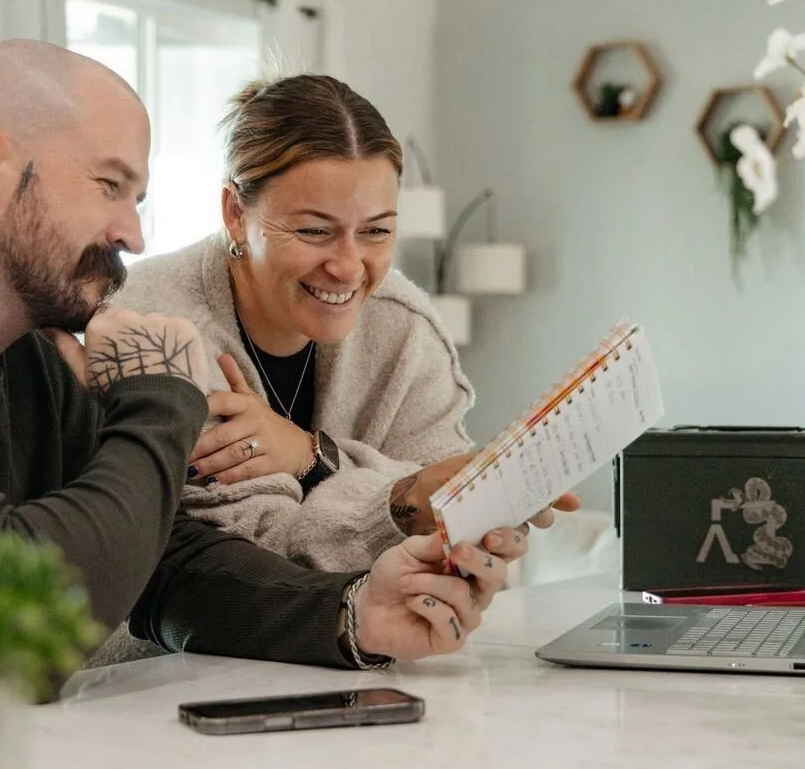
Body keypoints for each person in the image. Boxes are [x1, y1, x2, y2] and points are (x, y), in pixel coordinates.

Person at [0, 40, 548, 743]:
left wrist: (353, 614)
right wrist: (160, 401)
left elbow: (162, 564)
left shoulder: (28, 360)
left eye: (138, 195)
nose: (133, 230)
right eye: (108, 185)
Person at [114, 73, 576, 573]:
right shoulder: (153, 328)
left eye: (376, 231)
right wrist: (404, 499)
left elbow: (454, 548)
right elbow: (251, 562)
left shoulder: (404, 329)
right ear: (234, 213)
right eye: (315, 231)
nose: (349, 266)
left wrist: (313, 458)